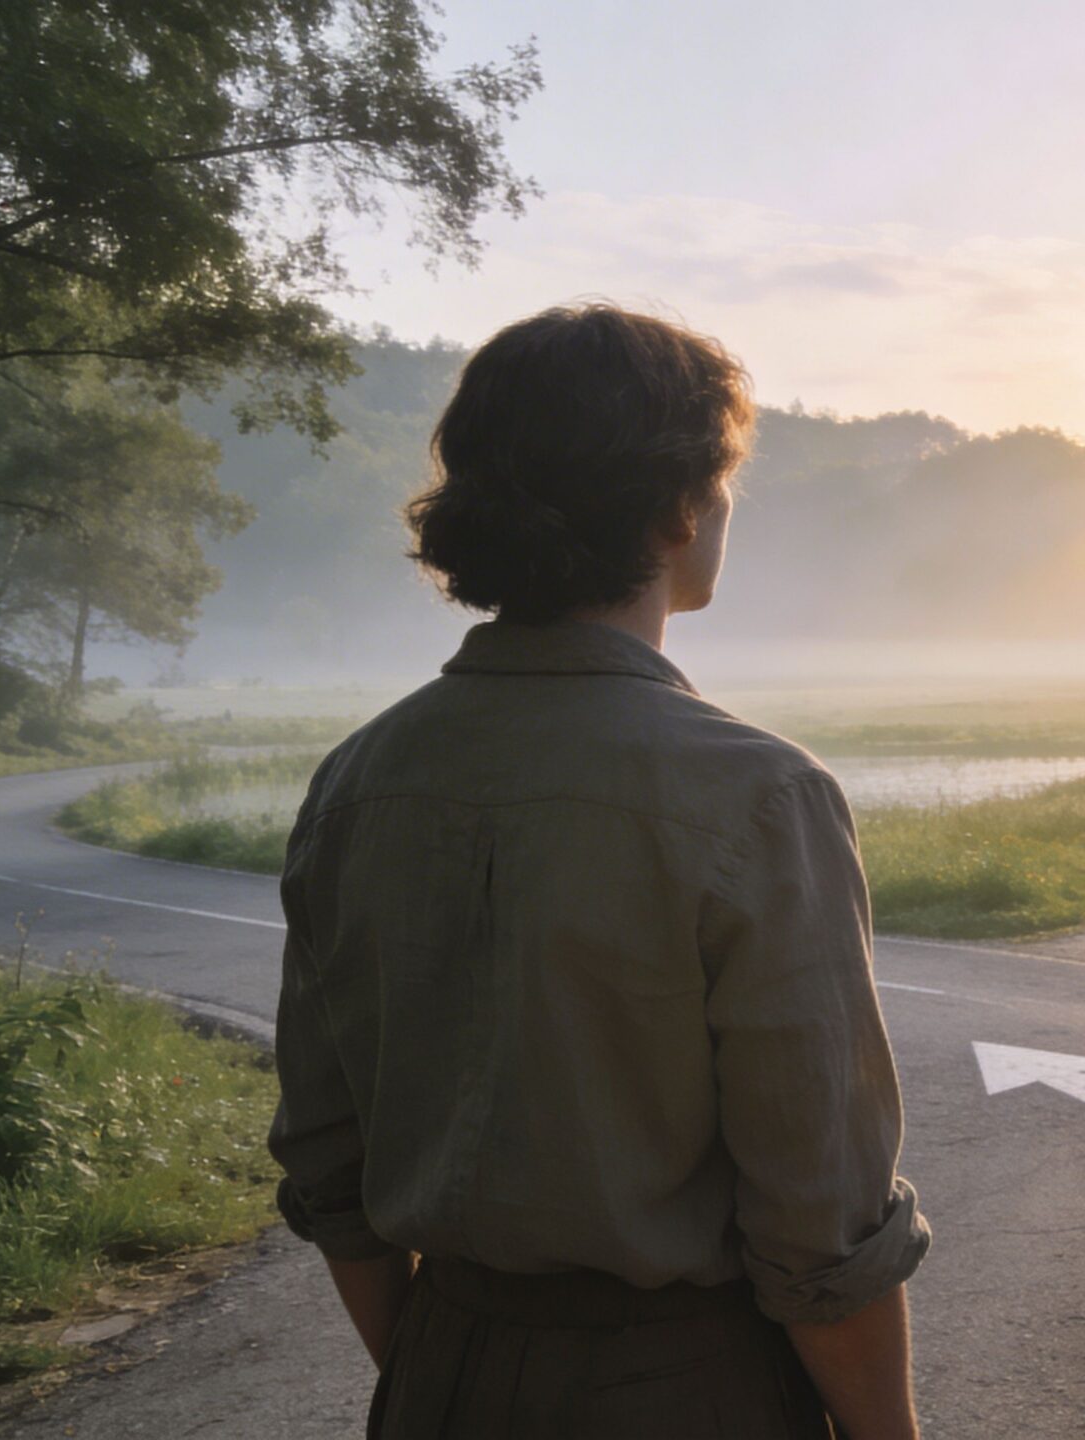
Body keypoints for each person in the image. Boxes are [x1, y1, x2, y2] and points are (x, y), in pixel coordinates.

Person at [267, 303, 930, 1439]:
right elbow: (820, 1226)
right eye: (724, 480)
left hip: (438, 1367)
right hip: (688, 1384)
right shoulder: (757, 796)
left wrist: (449, 1371)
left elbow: (333, 1168)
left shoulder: (356, 782)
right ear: (679, 506)